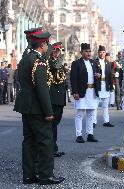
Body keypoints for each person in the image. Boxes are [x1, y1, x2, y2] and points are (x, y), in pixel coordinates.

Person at [14, 31, 65, 185]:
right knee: (45, 141)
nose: (48, 46)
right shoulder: (39, 61)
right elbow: (42, 88)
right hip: (37, 107)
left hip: (25, 105)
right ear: (42, 45)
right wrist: (48, 111)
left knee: (29, 141)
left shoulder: (25, 59)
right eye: (47, 44)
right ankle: (45, 175)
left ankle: (28, 175)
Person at [70, 43, 99, 143]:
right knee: (80, 114)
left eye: (89, 51)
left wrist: (98, 75)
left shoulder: (93, 62)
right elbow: (73, 79)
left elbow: (97, 74)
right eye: (86, 51)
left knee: (91, 113)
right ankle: (79, 135)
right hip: (82, 91)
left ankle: (90, 134)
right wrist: (75, 92)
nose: (88, 53)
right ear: (81, 52)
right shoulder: (76, 63)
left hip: (92, 91)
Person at [48, 42, 66, 157]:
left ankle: (53, 147)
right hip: (53, 97)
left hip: (60, 97)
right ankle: (52, 149)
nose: (58, 53)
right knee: (52, 125)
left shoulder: (58, 62)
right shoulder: (50, 62)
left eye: (59, 51)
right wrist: (62, 57)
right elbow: (55, 67)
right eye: (56, 51)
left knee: (56, 123)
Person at [93, 45, 114, 128]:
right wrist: (95, 75)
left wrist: (111, 86)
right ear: (98, 53)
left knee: (105, 105)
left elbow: (110, 76)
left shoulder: (108, 63)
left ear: (105, 53)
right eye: (100, 52)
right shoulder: (94, 62)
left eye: (103, 52)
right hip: (97, 85)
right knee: (95, 105)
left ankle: (106, 121)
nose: (102, 54)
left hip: (105, 85)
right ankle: (93, 121)